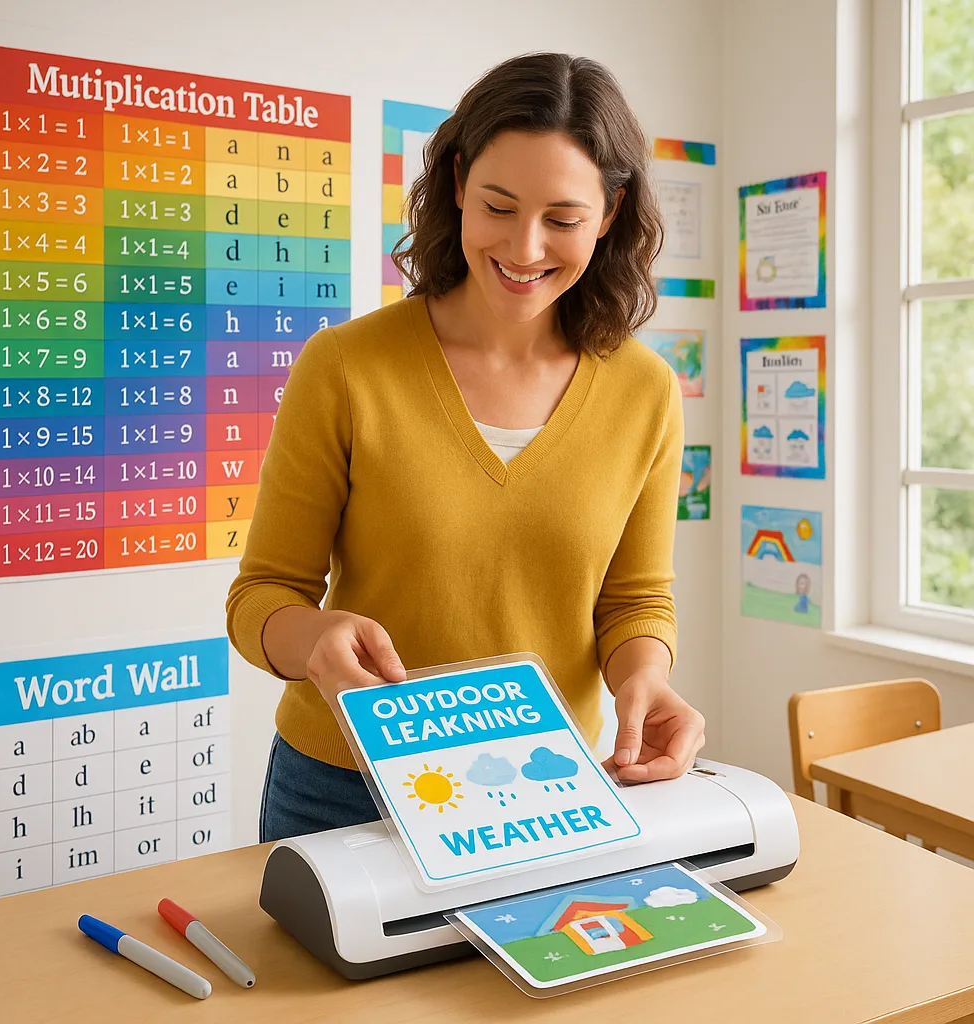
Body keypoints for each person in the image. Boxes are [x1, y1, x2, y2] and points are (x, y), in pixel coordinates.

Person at [227, 52, 706, 843]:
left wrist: (645, 680)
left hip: (546, 787)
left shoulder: (645, 388)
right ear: (456, 186)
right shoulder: (346, 367)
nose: (524, 248)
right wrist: (313, 643)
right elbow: (262, 598)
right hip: (344, 793)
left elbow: (634, 600)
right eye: (498, 206)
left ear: (611, 213)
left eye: (562, 219)